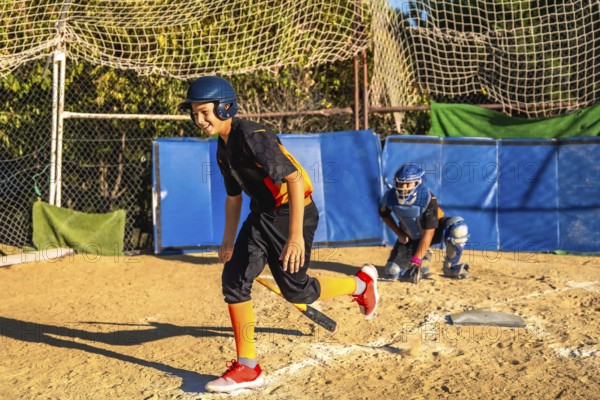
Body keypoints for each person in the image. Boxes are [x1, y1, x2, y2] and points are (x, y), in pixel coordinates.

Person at [178, 76, 380, 393]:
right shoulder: (222, 148)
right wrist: (228, 239)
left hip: (292, 214)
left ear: (225, 106)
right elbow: (234, 198)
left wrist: (295, 236)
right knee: (234, 280)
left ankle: (360, 284)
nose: (199, 119)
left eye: (204, 111)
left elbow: (294, 180)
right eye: (194, 114)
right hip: (262, 216)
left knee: (298, 291)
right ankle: (248, 366)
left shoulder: (251, 136)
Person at [379, 162, 470, 283]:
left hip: (433, 232)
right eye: (400, 183)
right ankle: (424, 258)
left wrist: (415, 261)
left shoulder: (427, 198)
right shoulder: (389, 197)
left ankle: (450, 267)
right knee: (393, 272)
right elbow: (384, 214)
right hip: (410, 237)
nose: (403, 187)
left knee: (459, 228)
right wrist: (399, 233)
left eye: (407, 183)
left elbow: (429, 233)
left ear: (418, 183)